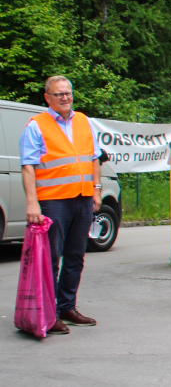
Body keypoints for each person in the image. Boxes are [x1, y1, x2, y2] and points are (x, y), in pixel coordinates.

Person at [20, 75, 104, 334]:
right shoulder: (36, 126)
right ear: (47, 98)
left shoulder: (84, 121)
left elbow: (94, 158)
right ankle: (48, 313)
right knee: (51, 259)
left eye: (68, 93)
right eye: (59, 94)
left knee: (76, 256)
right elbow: (27, 166)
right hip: (53, 201)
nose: (65, 97)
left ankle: (67, 306)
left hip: (81, 199)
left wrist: (97, 191)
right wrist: (32, 203)